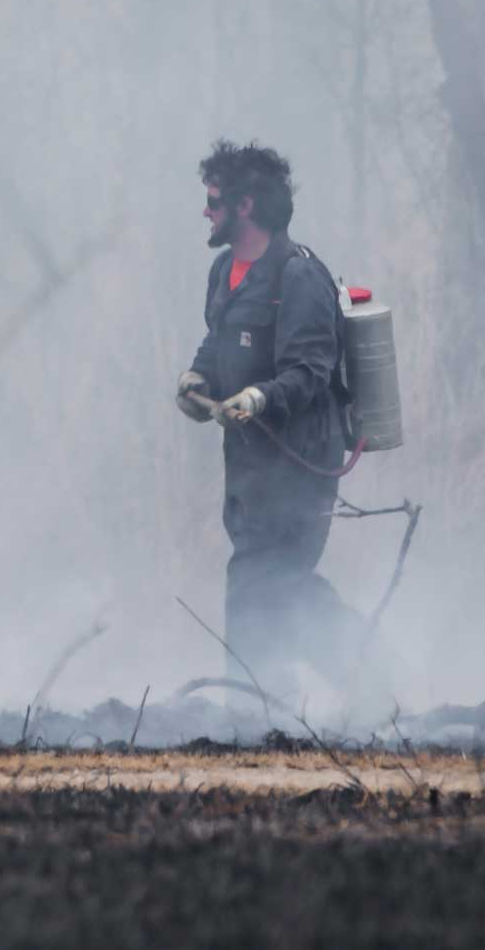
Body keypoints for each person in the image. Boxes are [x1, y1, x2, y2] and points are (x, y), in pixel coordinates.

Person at [176, 140, 369, 701]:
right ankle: (359, 684)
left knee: (262, 582)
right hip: (249, 466)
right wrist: (197, 380)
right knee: (278, 586)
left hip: (301, 462)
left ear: (246, 205)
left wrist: (260, 398)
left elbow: (310, 371)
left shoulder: (300, 277)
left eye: (214, 199)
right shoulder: (223, 271)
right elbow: (218, 343)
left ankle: (255, 708)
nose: (206, 210)